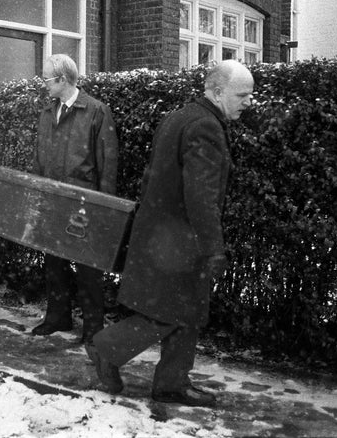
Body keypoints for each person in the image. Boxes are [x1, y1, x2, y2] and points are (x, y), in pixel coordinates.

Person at [85, 60, 254, 408]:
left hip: (162, 232)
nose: (249, 101)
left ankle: (172, 384)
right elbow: (201, 196)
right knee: (167, 312)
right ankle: (106, 349)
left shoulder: (179, 117)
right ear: (218, 92)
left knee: (186, 310)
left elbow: (152, 177)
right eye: (243, 94)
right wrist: (213, 249)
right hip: (180, 240)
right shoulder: (206, 126)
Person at [31, 53, 118, 344]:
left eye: (47, 79)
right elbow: (39, 158)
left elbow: (107, 164)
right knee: (53, 262)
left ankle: (94, 329)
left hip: (84, 204)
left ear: (63, 80)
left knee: (87, 268)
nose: (44, 84)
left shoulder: (96, 111)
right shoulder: (47, 112)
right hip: (53, 200)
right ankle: (58, 317)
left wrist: (103, 207)